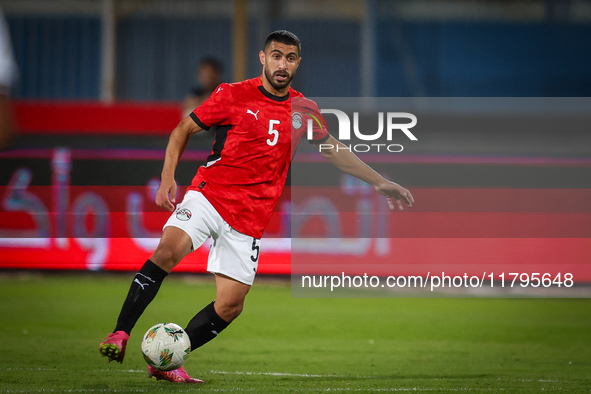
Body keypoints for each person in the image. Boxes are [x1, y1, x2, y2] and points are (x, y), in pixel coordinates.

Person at [99, 30, 414, 384]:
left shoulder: (303, 109)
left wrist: (379, 182)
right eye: (276, 56)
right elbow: (182, 130)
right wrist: (167, 176)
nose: (283, 64)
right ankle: (120, 332)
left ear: (297, 63)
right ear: (263, 59)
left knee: (231, 306)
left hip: (250, 219)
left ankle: (167, 360)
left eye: (290, 58)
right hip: (209, 196)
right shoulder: (232, 94)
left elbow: (334, 150)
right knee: (167, 251)